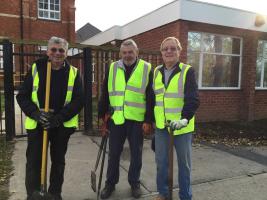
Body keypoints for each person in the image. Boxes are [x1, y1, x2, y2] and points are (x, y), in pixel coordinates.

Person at [16, 36, 84, 200]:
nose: (57, 53)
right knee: (33, 161)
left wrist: (58, 118)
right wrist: (36, 114)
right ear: (47, 51)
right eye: (53, 49)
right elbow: (22, 96)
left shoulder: (74, 73)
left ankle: (54, 194)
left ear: (66, 53)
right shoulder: (36, 68)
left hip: (61, 125)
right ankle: (33, 194)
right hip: (39, 123)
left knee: (58, 162)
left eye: (61, 50)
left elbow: (78, 101)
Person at [98, 39, 154, 199]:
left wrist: (148, 120)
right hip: (116, 119)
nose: (127, 55)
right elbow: (105, 91)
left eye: (131, 52)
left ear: (137, 53)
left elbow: (151, 97)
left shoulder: (146, 68)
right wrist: (102, 115)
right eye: (124, 52)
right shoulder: (113, 67)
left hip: (137, 120)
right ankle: (110, 184)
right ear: (120, 53)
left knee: (136, 153)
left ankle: (134, 183)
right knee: (113, 153)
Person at [153, 37, 200, 200]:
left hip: (182, 128)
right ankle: (163, 193)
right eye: (166, 49)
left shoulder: (187, 71)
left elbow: (193, 98)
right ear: (161, 52)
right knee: (161, 163)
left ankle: (185, 196)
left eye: (173, 48)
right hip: (161, 127)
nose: (169, 51)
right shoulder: (156, 72)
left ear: (179, 51)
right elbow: (155, 99)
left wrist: (184, 119)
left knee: (184, 165)